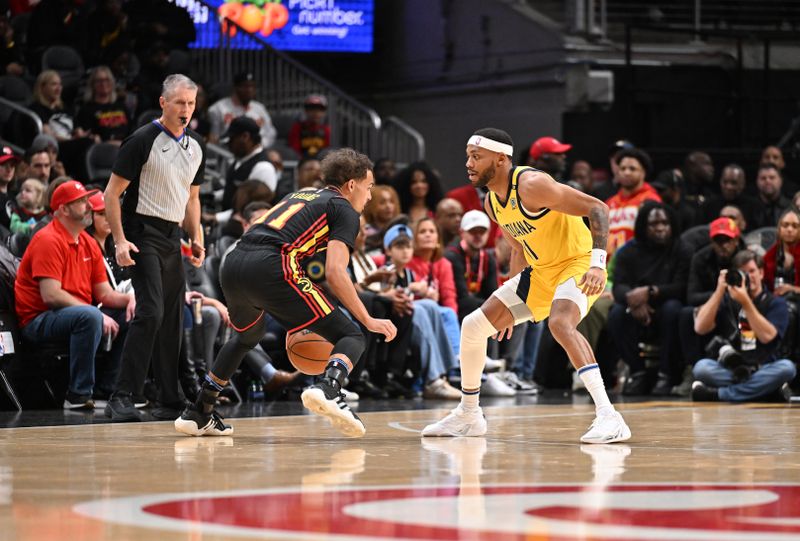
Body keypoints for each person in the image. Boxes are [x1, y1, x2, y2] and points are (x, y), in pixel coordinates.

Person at [423, 128, 630, 443]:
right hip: (542, 272)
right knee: (474, 326)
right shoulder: (493, 203)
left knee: (560, 323)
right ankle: (469, 414)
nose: (468, 163)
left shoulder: (532, 184)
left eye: (476, 157)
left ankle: (609, 415)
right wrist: (511, 299)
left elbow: (598, 208)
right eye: (468, 156)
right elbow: (519, 248)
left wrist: (598, 264)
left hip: (577, 263)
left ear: (501, 159)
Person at [175, 148, 396, 438]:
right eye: (368, 188)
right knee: (352, 334)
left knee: (247, 337)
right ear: (351, 185)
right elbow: (335, 272)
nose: (368, 197)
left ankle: (199, 411)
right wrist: (368, 319)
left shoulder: (300, 194)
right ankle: (329, 388)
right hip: (272, 264)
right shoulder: (344, 208)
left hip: (234, 263)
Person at [103, 74, 207, 422]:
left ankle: (169, 396)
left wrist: (197, 237)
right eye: (180, 102)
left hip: (171, 236)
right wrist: (119, 240)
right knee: (151, 312)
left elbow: (192, 198)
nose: (186, 110)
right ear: (163, 103)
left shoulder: (196, 146)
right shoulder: (142, 140)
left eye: (191, 103)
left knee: (175, 317)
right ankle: (121, 396)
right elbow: (111, 195)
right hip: (140, 231)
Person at [14, 181, 135, 409]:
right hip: (38, 319)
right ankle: (77, 395)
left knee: (131, 314)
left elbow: (105, 293)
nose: (88, 205)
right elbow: (51, 295)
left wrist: (130, 299)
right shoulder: (47, 239)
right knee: (88, 317)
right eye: (80, 202)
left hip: (72, 314)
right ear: (63, 209)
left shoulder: (88, 242)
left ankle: (107, 390)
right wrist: (94, 312)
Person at [692, 250, 796, 402]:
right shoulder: (728, 300)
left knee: (787, 368)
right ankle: (766, 392)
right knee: (702, 368)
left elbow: (767, 337)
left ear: (761, 273)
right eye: (743, 272)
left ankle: (717, 395)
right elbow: (700, 327)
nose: (749, 276)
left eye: (752, 271)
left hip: (764, 368)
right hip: (732, 368)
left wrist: (746, 302)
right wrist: (719, 291)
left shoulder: (776, 302)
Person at [605, 147, 661, 256]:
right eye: (623, 168)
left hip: (636, 265)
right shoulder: (609, 203)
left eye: (632, 169)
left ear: (643, 172)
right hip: (607, 268)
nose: (626, 172)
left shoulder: (651, 200)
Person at [208, 72, 276, 147]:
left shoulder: (260, 108)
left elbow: (271, 133)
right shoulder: (217, 109)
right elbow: (214, 138)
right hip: (229, 151)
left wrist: (259, 146)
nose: (249, 90)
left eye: (252, 86)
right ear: (235, 87)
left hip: (257, 149)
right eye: (245, 86)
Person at [288, 94, 331, 158]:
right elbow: (294, 149)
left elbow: (327, 150)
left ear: (324, 112)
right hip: (301, 162)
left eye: (320, 109)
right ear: (306, 111)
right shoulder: (297, 127)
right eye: (312, 108)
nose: (316, 112)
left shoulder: (326, 129)